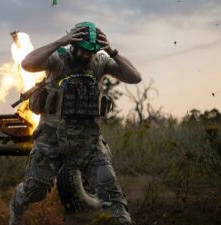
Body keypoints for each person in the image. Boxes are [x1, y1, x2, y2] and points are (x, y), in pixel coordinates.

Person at [9, 22, 141, 225]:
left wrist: (111, 51)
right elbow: (27, 64)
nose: (88, 56)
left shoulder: (100, 61)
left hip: (87, 139)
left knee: (110, 192)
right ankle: (17, 201)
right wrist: (60, 41)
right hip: (51, 136)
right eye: (84, 50)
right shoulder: (58, 59)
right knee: (35, 191)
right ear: (73, 44)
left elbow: (135, 77)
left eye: (92, 51)